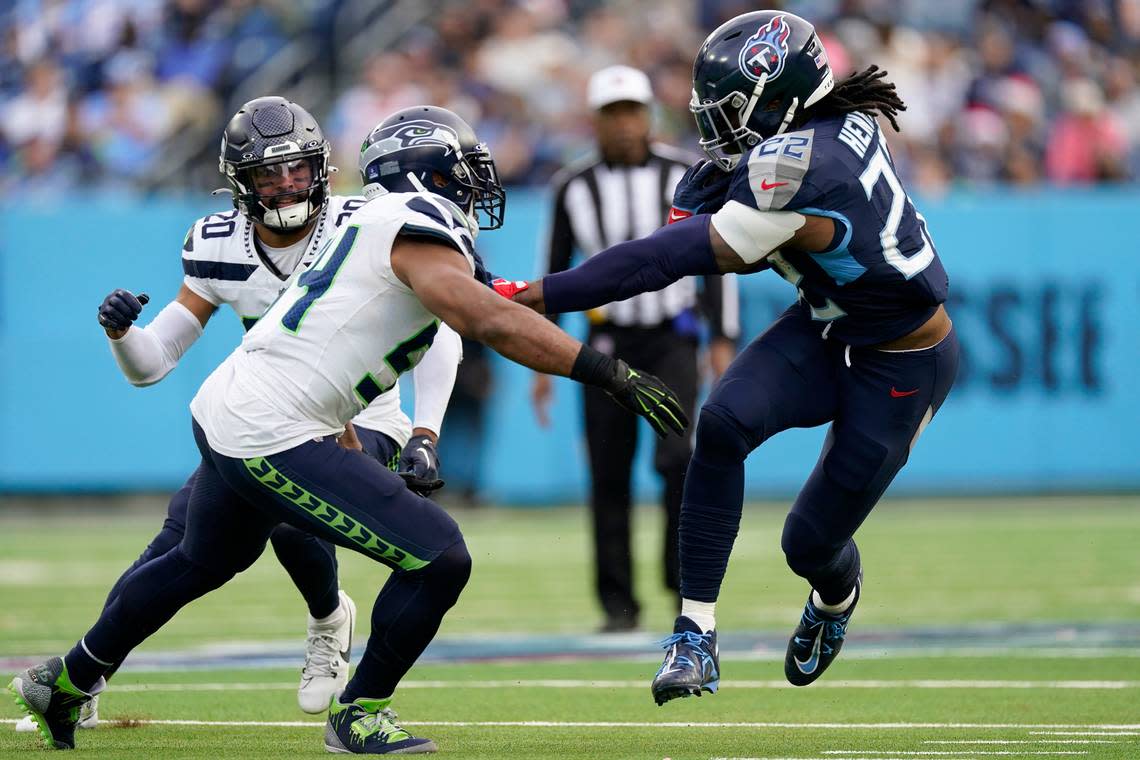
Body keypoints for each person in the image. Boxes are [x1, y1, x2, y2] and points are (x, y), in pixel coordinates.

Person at [8, 105, 688, 754]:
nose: (477, 182)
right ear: (430, 172)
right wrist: (609, 373)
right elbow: (485, 321)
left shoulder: (381, 220)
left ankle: (62, 683)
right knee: (439, 557)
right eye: (464, 169)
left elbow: (496, 301)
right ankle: (359, 711)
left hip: (242, 409)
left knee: (199, 558)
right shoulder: (415, 224)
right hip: (273, 428)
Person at [502, 11, 959, 705]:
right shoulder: (826, 127)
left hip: (901, 361)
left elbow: (665, 259)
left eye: (729, 113)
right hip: (825, 326)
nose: (714, 129)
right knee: (719, 427)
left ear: (781, 101)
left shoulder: (802, 170)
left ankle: (837, 597)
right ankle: (694, 635)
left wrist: (543, 293)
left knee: (808, 546)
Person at [12, 97, 462, 735]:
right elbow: (155, 360)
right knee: (182, 549)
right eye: (267, 175)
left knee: (290, 519)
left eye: (297, 169)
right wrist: (121, 334)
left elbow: (439, 328)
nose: (285, 185)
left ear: (321, 168)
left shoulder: (369, 222)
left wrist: (424, 430)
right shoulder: (218, 242)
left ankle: (328, 619)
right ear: (239, 184)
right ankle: (75, 681)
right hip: (266, 416)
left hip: (366, 416)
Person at [536, 65, 739, 633]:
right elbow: (552, 273)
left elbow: (719, 257)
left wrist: (721, 338)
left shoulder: (688, 174)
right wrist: (542, 360)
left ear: (648, 113)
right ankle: (617, 605)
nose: (624, 123)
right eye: (612, 113)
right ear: (597, 121)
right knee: (609, 474)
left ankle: (684, 589)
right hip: (606, 341)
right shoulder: (572, 185)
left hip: (671, 336)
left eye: (632, 110)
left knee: (679, 459)